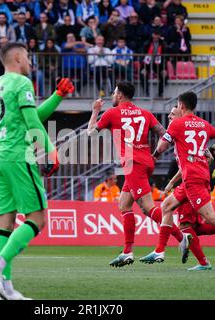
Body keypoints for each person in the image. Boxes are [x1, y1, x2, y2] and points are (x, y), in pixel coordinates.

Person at [0, 42, 75, 300]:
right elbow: (32, 122)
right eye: (29, 57)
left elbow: (30, 115)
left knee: (5, 222)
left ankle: (5, 290)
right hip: (16, 155)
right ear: (19, 57)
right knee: (38, 217)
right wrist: (51, 150)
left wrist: (57, 96)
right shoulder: (22, 83)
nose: (31, 63)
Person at [140, 91, 215, 264]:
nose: (175, 111)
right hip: (195, 175)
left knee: (208, 216)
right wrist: (202, 147)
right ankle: (159, 251)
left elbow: (162, 146)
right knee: (167, 206)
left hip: (193, 177)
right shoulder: (204, 124)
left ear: (182, 106)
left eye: (177, 106)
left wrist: (154, 156)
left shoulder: (177, 125)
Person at [87, 82, 186, 268]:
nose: (112, 96)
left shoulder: (111, 113)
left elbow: (91, 133)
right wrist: (156, 155)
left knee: (148, 207)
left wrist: (95, 111)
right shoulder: (145, 113)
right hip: (146, 161)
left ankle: (181, 237)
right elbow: (165, 134)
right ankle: (127, 251)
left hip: (133, 164)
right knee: (124, 204)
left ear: (120, 95)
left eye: (114, 93)